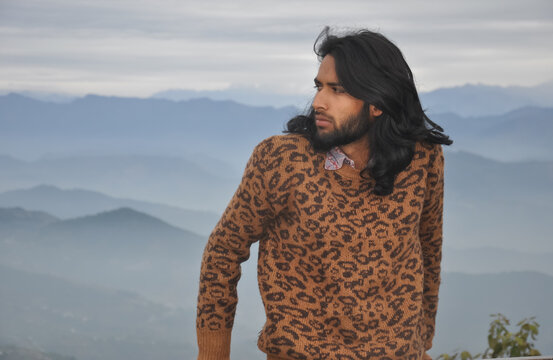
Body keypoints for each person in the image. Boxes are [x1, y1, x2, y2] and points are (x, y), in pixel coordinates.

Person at [196, 27, 452, 360]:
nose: (319, 101)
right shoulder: (282, 161)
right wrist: (213, 354)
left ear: (377, 102)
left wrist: (421, 342)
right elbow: (222, 253)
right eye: (319, 87)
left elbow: (428, 247)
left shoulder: (421, 157)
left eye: (338, 90)